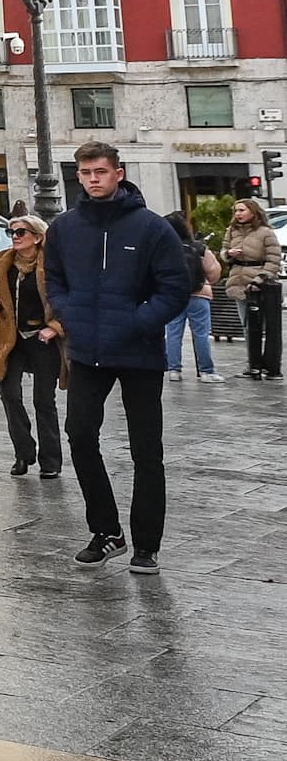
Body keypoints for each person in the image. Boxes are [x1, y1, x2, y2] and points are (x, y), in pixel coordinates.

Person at [43, 141, 195, 574]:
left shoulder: (151, 228)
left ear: (119, 173)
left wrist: (137, 322)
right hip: (88, 353)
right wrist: (68, 313)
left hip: (139, 352)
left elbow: (174, 287)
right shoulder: (65, 227)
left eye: (101, 172)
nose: (93, 179)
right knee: (79, 436)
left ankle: (147, 545)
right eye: (86, 172)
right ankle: (106, 532)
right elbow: (54, 278)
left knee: (146, 450)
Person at [0, 214, 65, 478]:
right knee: (9, 394)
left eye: (21, 232)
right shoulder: (4, 264)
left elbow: (67, 299)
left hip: (42, 339)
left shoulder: (52, 265)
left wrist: (54, 328)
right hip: (11, 338)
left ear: (38, 236)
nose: (16, 237)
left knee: (43, 400)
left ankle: (50, 460)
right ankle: (23, 453)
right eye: (12, 233)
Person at [224, 199, 281, 380]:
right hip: (238, 280)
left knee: (265, 326)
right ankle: (253, 363)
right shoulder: (232, 230)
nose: (238, 214)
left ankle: (269, 365)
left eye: (241, 210)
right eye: (236, 211)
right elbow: (223, 251)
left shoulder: (266, 233)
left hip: (260, 284)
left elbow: (273, 261)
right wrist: (228, 254)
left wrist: (259, 279)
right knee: (248, 326)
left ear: (253, 211)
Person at [167, 212, 223, 382]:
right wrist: (205, 282)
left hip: (174, 295)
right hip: (200, 294)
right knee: (201, 334)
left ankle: (174, 370)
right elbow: (214, 271)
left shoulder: (165, 247)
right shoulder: (198, 247)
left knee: (173, 333)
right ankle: (206, 371)